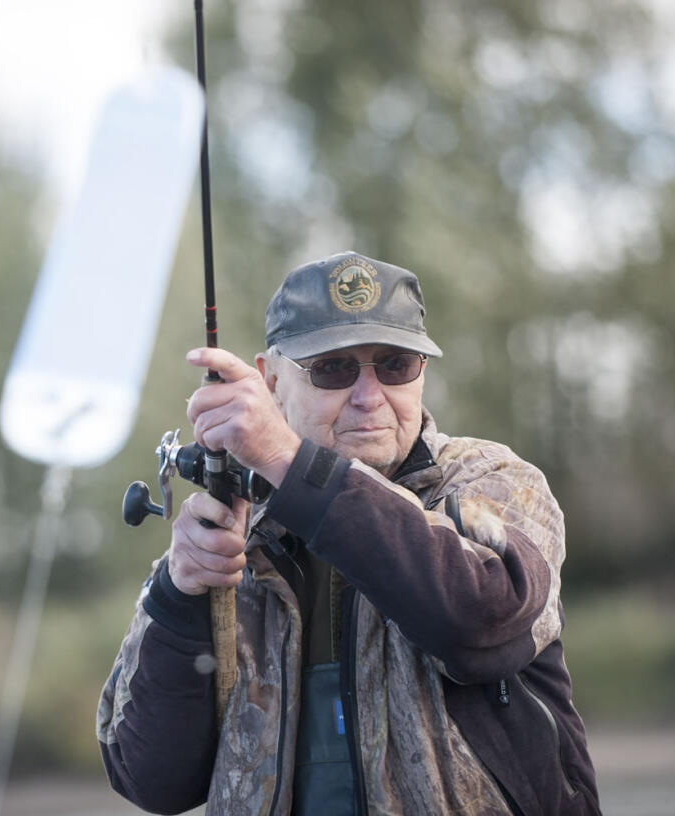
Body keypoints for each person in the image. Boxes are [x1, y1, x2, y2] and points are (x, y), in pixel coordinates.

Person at [97, 251, 600, 815]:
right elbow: (150, 779)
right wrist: (180, 592)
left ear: (422, 375)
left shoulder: (493, 480)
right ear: (271, 381)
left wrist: (288, 459)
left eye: (395, 365)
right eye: (333, 369)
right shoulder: (233, 530)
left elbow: (480, 621)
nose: (368, 396)